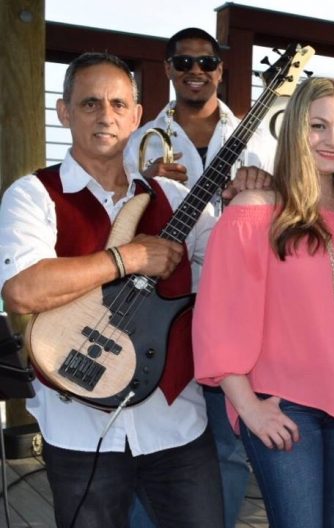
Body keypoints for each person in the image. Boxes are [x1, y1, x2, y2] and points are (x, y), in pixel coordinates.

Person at [0, 52, 223, 528]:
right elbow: (22, 291)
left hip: (175, 420)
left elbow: (229, 273)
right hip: (79, 428)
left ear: (137, 116)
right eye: (90, 104)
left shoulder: (174, 198)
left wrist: (254, 200)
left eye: (119, 104)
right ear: (64, 112)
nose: (106, 116)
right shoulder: (33, 194)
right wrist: (128, 258)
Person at [192, 77, 334, 528]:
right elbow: (218, 319)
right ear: (295, 131)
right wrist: (248, 407)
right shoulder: (256, 210)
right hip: (284, 405)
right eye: (318, 126)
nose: (333, 140)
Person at [123, 27, 275, 528]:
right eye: (184, 62)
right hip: (163, 310)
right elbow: (121, 218)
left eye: (206, 62)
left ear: (220, 70)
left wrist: (261, 189)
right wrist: (147, 187)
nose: (196, 71)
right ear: (167, 68)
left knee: (227, 447)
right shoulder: (142, 140)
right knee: (153, 443)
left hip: (234, 310)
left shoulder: (255, 139)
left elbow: (279, 215)